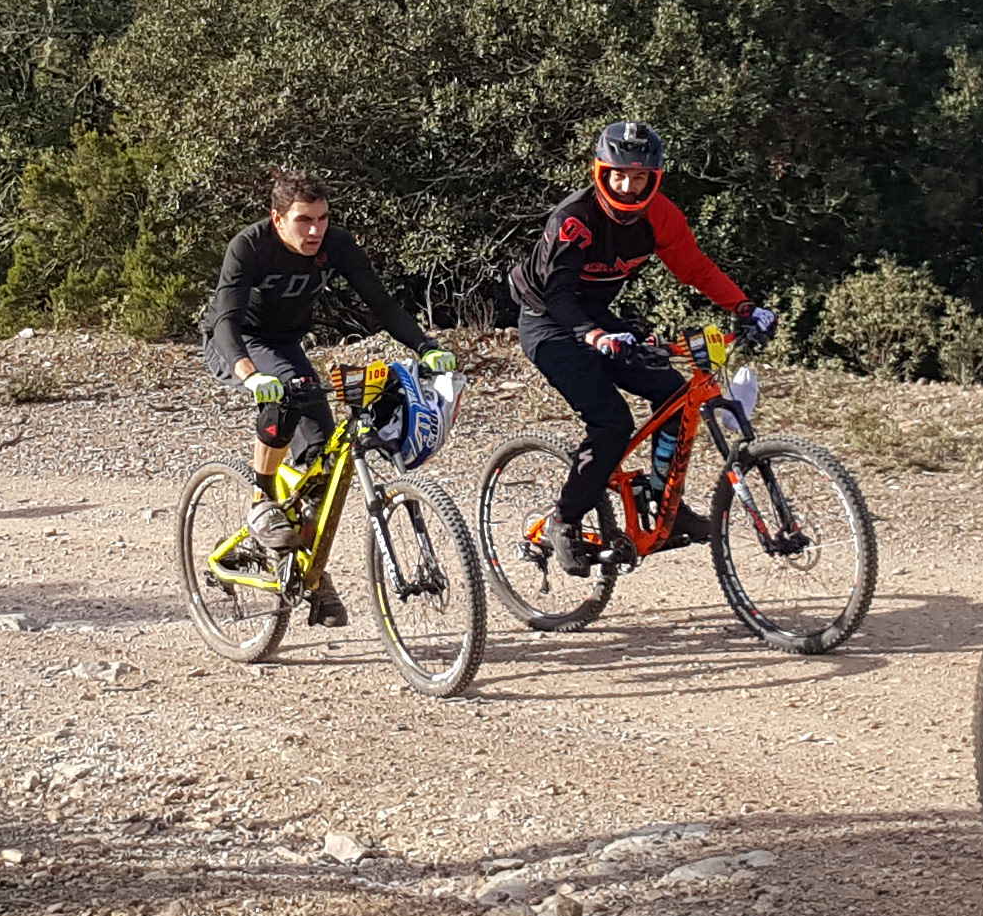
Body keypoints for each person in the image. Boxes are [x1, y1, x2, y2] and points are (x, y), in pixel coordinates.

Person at [506, 119, 767, 573]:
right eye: (619, 175)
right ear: (601, 172)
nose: (628, 186)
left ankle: (665, 503)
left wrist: (743, 307)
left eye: (640, 177)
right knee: (610, 422)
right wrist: (594, 335)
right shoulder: (574, 220)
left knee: (674, 395)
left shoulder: (661, 216)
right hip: (548, 320)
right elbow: (558, 296)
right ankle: (564, 520)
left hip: (598, 317)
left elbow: (697, 269)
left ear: (655, 178)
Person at [199, 170, 451, 618]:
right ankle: (262, 503)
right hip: (238, 340)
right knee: (285, 395)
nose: (315, 230)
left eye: (321, 219)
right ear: (278, 219)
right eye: (303, 221)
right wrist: (250, 374)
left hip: (285, 344)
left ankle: (307, 573)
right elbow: (226, 320)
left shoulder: (336, 243)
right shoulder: (250, 246)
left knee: (323, 457)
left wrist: (427, 347)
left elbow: (382, 305)